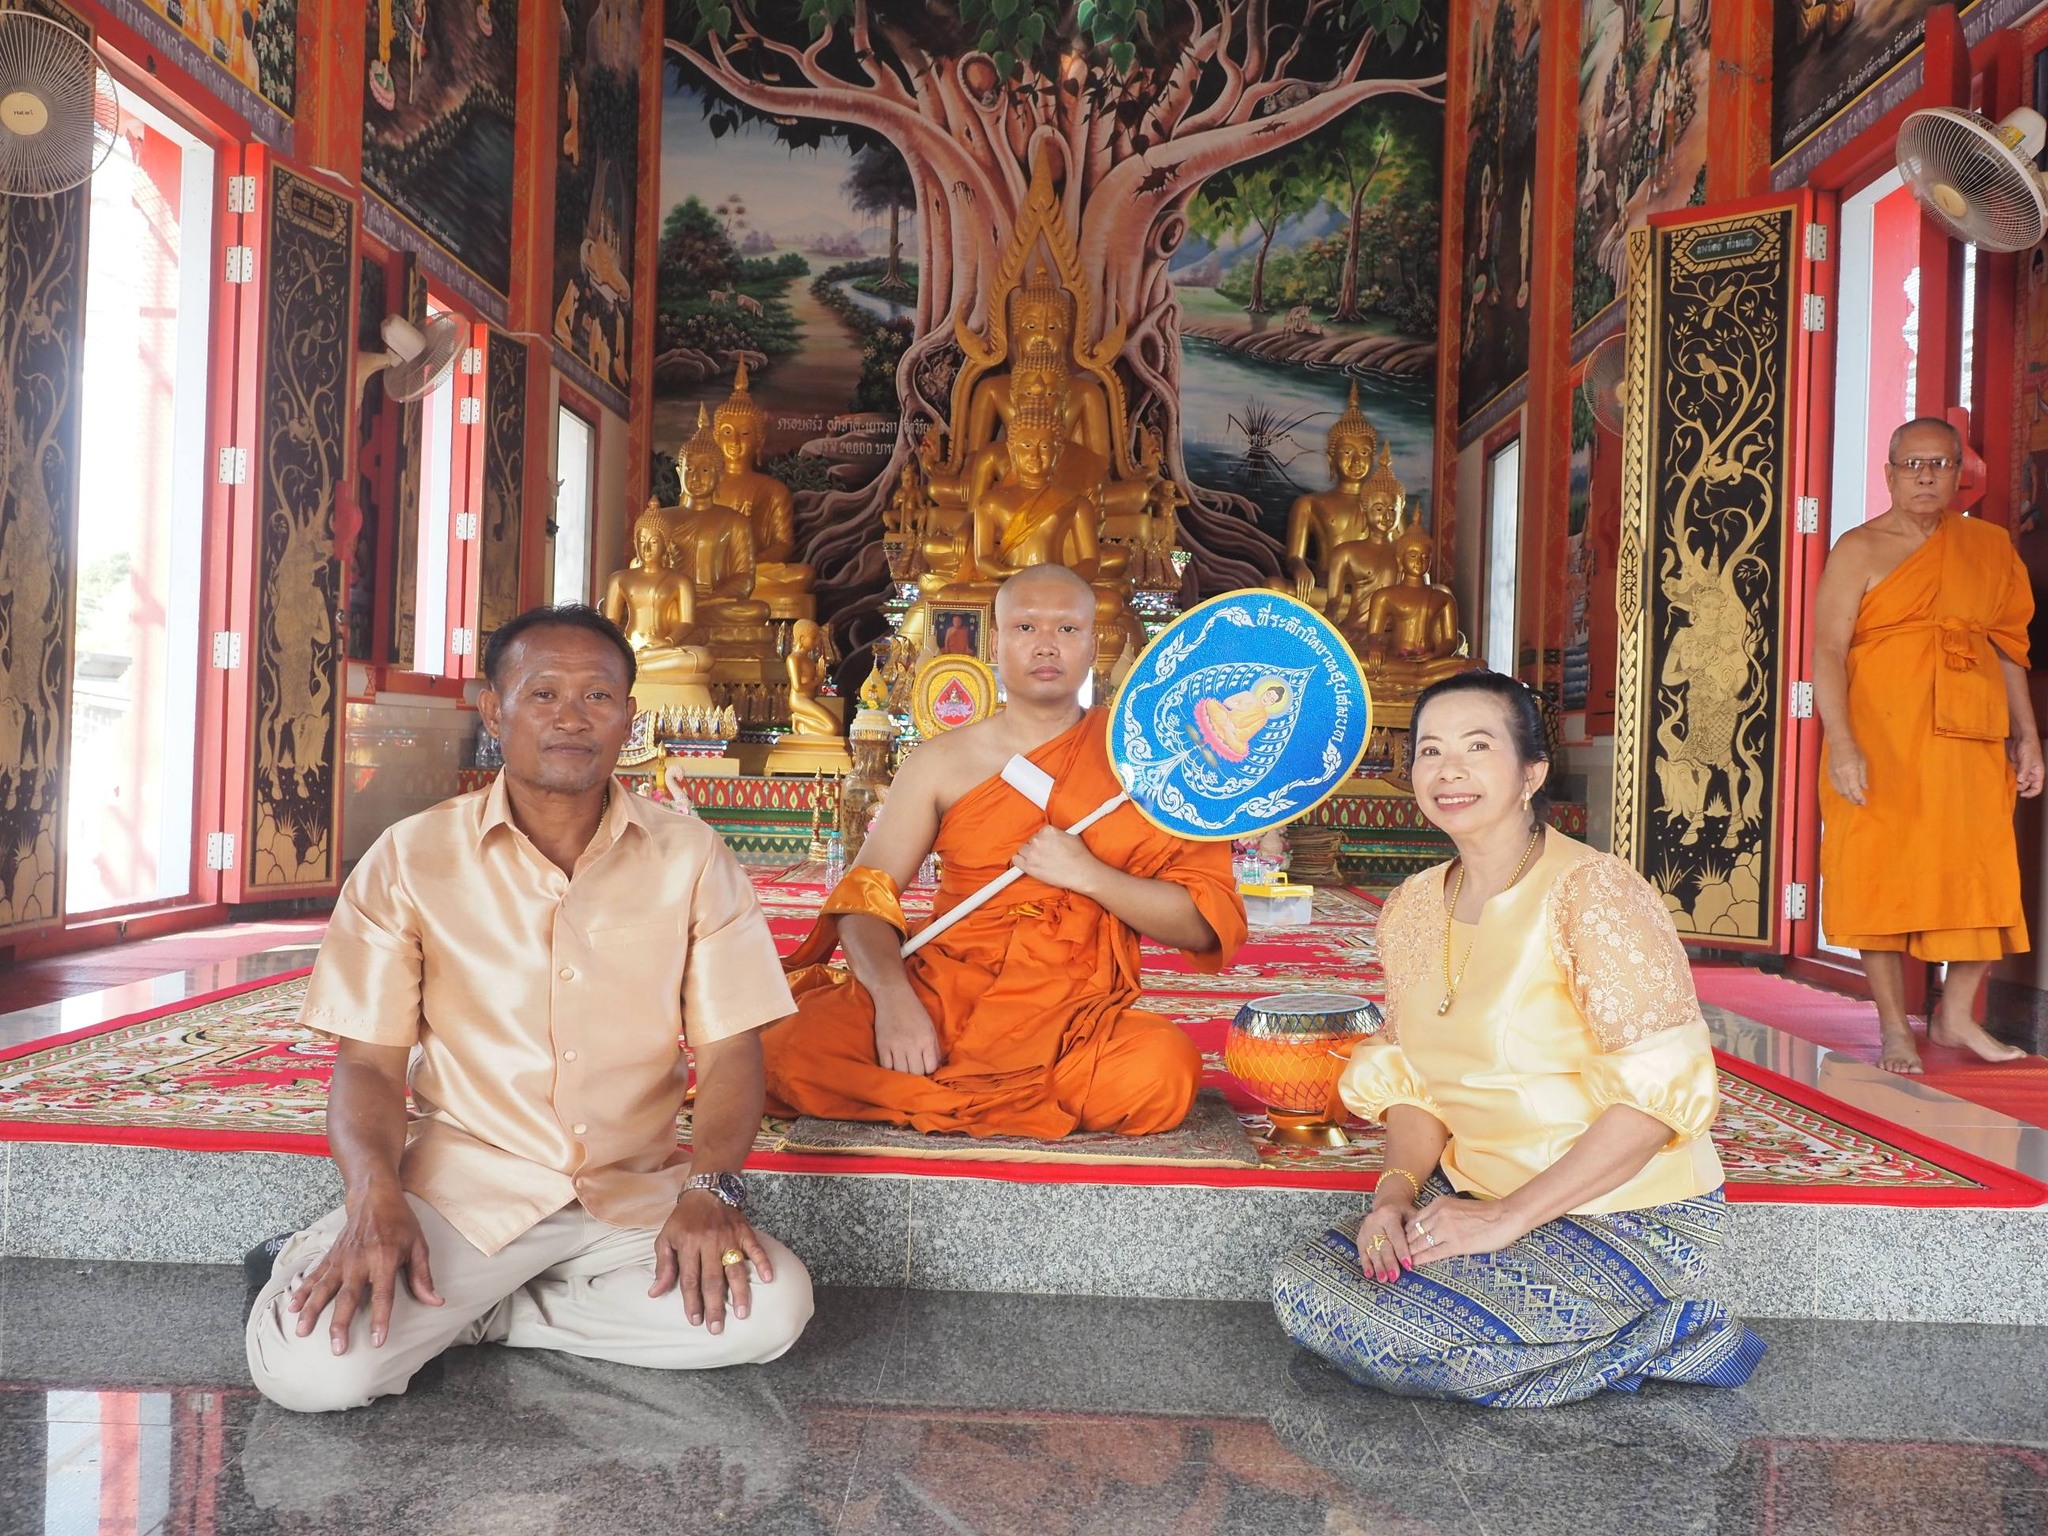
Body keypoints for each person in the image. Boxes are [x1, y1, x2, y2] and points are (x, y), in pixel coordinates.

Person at [246, 605, 812, 1413]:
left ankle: (479, 1315)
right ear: (493, 710)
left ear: (630, 717)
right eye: (543, 694)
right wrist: (373, 1198)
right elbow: (367, 1062)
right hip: (466, 1194)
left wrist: (709, 1190)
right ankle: (320, 1260)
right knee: (315, 1374)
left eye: (598, 697)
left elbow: (729, 1053)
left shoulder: (690, 858)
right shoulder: (410, 858)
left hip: (630, 1197)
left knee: (775, 1310)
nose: (571, 718)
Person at [1271, 671, 1764, 1407]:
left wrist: (1507, 1219)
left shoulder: (1594, 892)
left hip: (1622, 1205)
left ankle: (1675, 1334)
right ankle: (1605, 1347)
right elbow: (1413, 1083)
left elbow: (1655, 1103)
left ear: (1531, 772)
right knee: (1302, 1286)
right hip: (1474, 1187)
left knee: (1406, 1338)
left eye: (1478, 747)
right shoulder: (1411, 906)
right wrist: (1395, 1192)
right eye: (1431, 751)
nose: (1450, 770)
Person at [758, 564, 1247, 1137]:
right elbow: (863, 898)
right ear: (995, 643)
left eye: (1067, 629)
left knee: (1163, 1072)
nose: (1046, 645)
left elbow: (1201, 926)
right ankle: (982, 1096)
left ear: (1094, 645)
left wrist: (1090, 875)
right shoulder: (942, 762)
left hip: (1075, 1015)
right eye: (1025, 627)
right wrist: (894, 1002)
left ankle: (928, 1096)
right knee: (781, 1046)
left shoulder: (1149, 768)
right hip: (943, 994)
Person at [1814, 417, 2042, 1074]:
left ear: (1958, 476)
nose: (1925, 476)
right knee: (1880, 873)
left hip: (1969, 736)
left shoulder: (1988, 548)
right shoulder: (1858, 549)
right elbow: (1826, 650)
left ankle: (1956, 1015)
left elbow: (2008, 650)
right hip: (1881, 738)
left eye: (1939, 464)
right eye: (1912, 464)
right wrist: (1842, 743)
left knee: (1982, 870)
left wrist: (2028, 736)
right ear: (1889, 474)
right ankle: (1894, 1026)